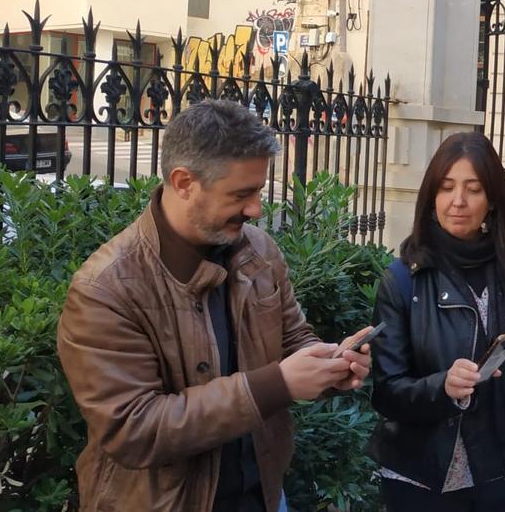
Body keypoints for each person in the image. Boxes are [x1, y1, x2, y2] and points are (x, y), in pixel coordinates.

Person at [57, 100, 373, 512]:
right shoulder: (105, 288)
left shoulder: (260, 251)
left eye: (258, 190)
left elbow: (293, 339)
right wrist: (279, 384)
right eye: (241, 194)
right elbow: (132, 431)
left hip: (263, 497)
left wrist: (329, 365)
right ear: (184, 182)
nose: (257, 209)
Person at [368, 132, 505, 512]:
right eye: (446, 188)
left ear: (492, 199)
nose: (458, 201)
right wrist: (442, 386)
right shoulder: (404, 280)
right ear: (431, 198)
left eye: (473, 189)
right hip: (423, 480)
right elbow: (387, 393)